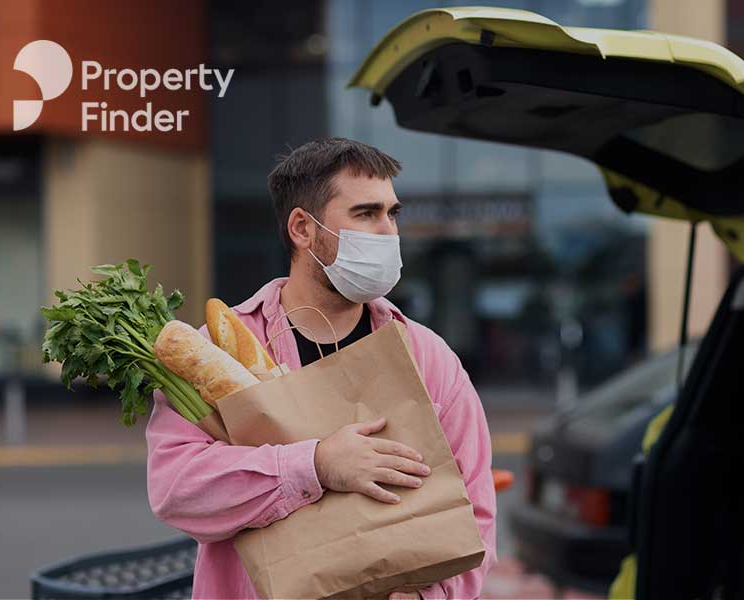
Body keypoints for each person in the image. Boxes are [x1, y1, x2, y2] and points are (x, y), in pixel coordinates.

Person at [145, 137, 498, 599]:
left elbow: (476, 513)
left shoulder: (427, 356)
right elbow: (177, 489)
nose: (388, 232)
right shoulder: (217, 350)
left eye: (392, 214)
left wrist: (431, 596)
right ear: (302, 229)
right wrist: (314, 465)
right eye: (365, 214)